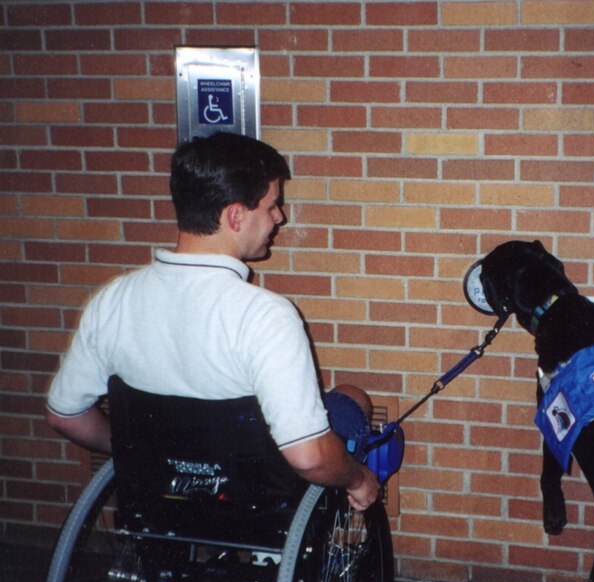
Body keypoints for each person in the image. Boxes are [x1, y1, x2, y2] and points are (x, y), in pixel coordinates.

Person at [46, 131, 379, 512]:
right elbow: (309, 457)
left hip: (158, 488)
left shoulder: (113, 299)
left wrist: (144, 451)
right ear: (236, 215)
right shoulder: (265, 316)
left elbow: (64, 415)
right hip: (257, 500)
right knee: (352, 400)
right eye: (272, 206)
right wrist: (357, 478)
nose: (279, 217)